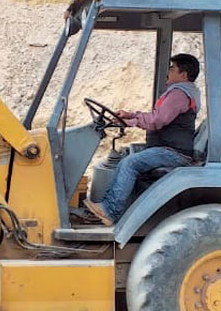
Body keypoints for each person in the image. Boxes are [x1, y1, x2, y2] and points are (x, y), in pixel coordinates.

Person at [83, 53, 201, 225]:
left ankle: (110, 211)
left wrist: (131, 122)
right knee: (126, 156)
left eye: (172, 68)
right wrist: (130, 115)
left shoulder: (179, 94)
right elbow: (156, 115)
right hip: (167, 147)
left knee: (130, 163)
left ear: (183, 75)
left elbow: (157, 121)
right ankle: (110, 206)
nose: (168, 72)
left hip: (173, 152)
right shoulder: (182, 93)